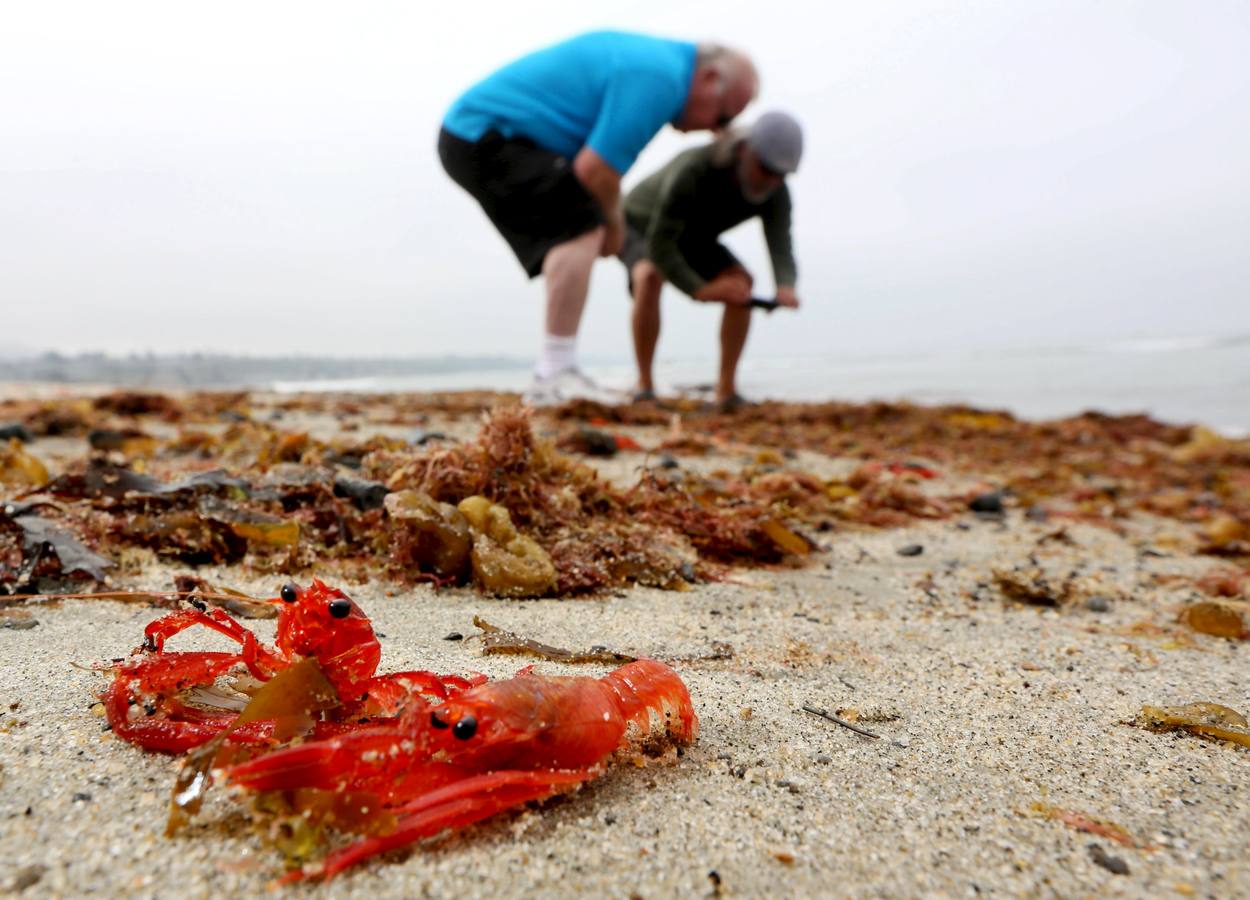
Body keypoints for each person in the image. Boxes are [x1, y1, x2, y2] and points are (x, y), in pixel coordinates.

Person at [438, 31, 758, 405]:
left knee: (579, 221)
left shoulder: (658, 63)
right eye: (724, 116)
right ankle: (555, 373)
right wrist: (615, 227)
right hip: (481, 133)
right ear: (709, 79)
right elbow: (597, 171)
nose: (717, 130)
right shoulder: (662, 78)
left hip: (482, 133)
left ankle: (555, 371)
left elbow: (592, 171)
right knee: (581, 228)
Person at [619, 111, 803, 411]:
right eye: (766, 169)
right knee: (649, 276)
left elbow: (780, 242)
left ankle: (726, 392)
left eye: (780, 175)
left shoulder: (775, 191)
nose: (771, 180)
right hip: (642, 224)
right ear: (744, 150)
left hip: (694, 233)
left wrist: (786, 284)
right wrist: (699, 289)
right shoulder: (696, 168)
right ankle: (644, 388)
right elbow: (660, 244)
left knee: (741, 284)